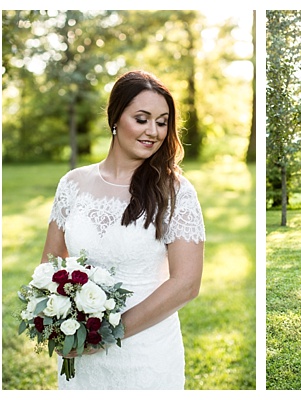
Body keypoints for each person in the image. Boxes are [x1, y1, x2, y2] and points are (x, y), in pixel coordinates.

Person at [41, 70, 206, 389]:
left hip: (146, 353)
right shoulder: (72, 184)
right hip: (78, 357)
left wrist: (104, 335)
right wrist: (55, 321)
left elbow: (186, 283)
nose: (154, 131)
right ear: (115, 119)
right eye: (142, 119)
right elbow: (49, 265)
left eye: (162, 121)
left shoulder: (175, 192)